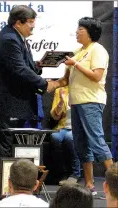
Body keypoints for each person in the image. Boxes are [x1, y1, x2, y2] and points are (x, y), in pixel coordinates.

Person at [0, 5, 54, 163]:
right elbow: (19, 69)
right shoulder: (9, 39)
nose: (33, 25)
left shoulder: (18, 38)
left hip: (9, 105)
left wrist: (38, 66)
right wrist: (45, 84)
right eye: (30, 22)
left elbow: (21, 66)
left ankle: (5, 186)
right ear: (18, 23)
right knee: (1, 150)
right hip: (1, 104)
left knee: (6, 148)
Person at [52, 17, 113, 195]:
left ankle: (115, 186)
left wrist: (75, 64)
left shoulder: (98, 50)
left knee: (96, 141)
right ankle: (89, 185)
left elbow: (96, 76)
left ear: (90, 32)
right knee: (81, 144)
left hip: (91, 101)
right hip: (76, 102)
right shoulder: (77, 51)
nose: (77, 32)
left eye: (81, 29)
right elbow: (66, 80)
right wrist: (50, 83)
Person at [50, 86, 80, 185]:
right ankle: (61, 174)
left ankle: (75, 174)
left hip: (76, 127)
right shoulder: (60, 90)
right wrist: (61, 101)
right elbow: (55, 116)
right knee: (55, 137)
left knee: (70, 138)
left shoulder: (81, 90)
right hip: (62, 127)